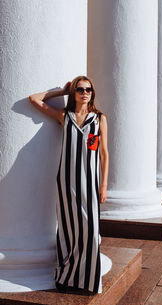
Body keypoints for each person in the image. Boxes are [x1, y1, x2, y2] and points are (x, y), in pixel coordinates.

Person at [29, 75, 109, 294]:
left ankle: (89, 281)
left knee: (90, 231)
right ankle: (68, 278)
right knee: (68, 231)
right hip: (66, 182)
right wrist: (61, 93)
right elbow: (34, 99)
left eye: (89, 89)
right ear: (74, 93)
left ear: (92, 93)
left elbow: (104, 153)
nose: (85, 93)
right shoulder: (65, 116)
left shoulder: (99, 118)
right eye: (80, 89)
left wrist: (103, 185)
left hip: (90, 183)